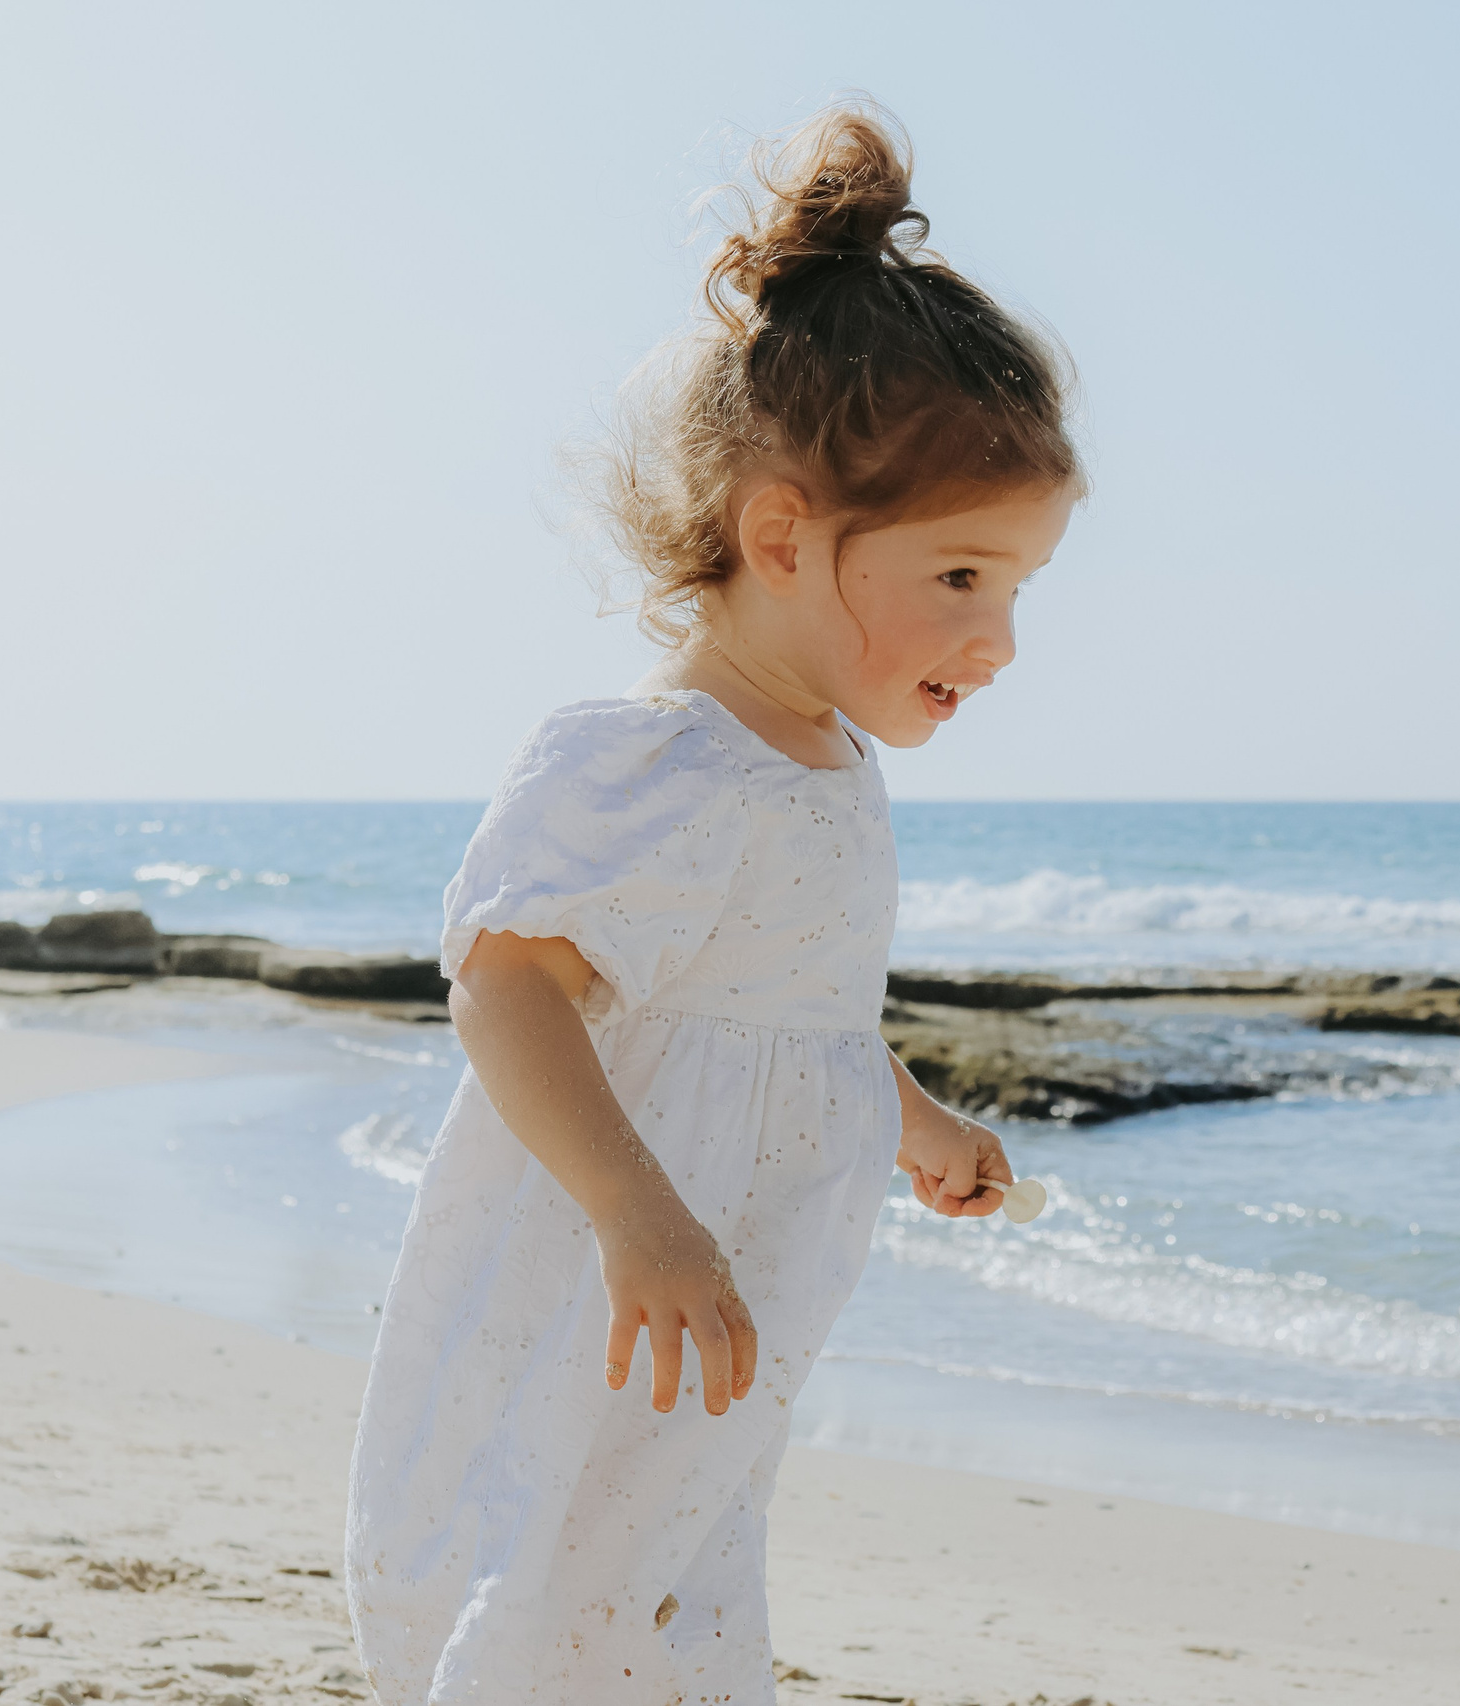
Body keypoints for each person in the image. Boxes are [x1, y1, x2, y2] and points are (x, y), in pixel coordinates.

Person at [344, 101, 1081, 1705]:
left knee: (664, 1608)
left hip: (725, 1323)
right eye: (961, 576)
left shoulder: (828, 767)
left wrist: (917, 1117)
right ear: (781, 537)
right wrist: (634, 1207)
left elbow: (789, 1011)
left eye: (1019, 587)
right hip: (610, 1299)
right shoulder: (659, 762)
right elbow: (506, 984)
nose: (1000, 638)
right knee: (552, 1604)